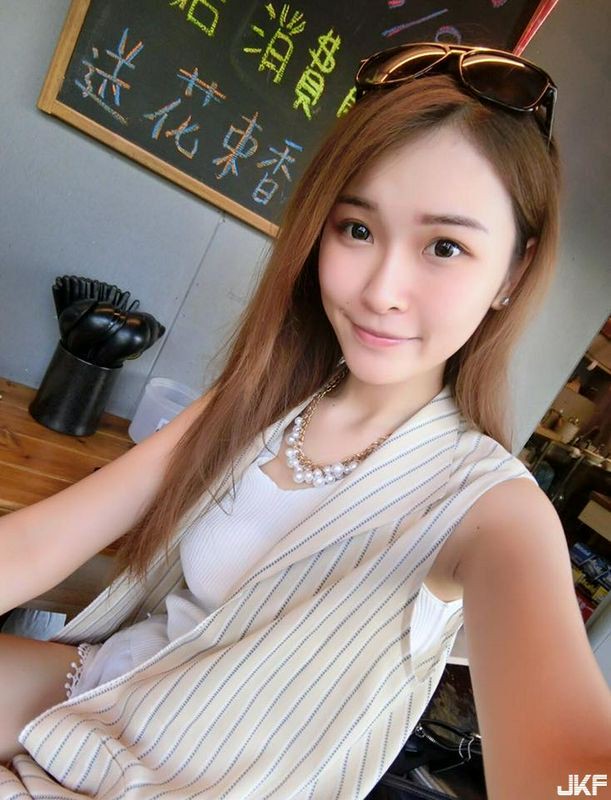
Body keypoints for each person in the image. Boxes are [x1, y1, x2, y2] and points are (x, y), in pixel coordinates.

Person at [1, 42, 610, 800]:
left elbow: (569, 768)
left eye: (444, 246)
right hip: (102, 687)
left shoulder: (490, 509)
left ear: (511, 273)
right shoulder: (258, 403)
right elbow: (36, 543)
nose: (380, 290)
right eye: (356, 229)